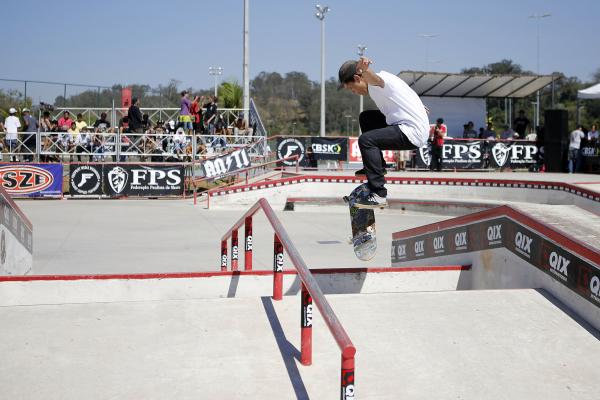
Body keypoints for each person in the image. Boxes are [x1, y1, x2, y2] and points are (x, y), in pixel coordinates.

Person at [338, 57, 429, 208]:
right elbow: (405, 93)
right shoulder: (385, 84)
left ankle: (379, 193)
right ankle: (378, 167)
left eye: (352, 88)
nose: (354, 92)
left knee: (366, 140)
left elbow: (375, 79)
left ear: (357, 78)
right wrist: (419, 106)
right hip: (404, 123)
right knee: (366, 118)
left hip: (412, 131)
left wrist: (364, 71)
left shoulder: (379, 82)